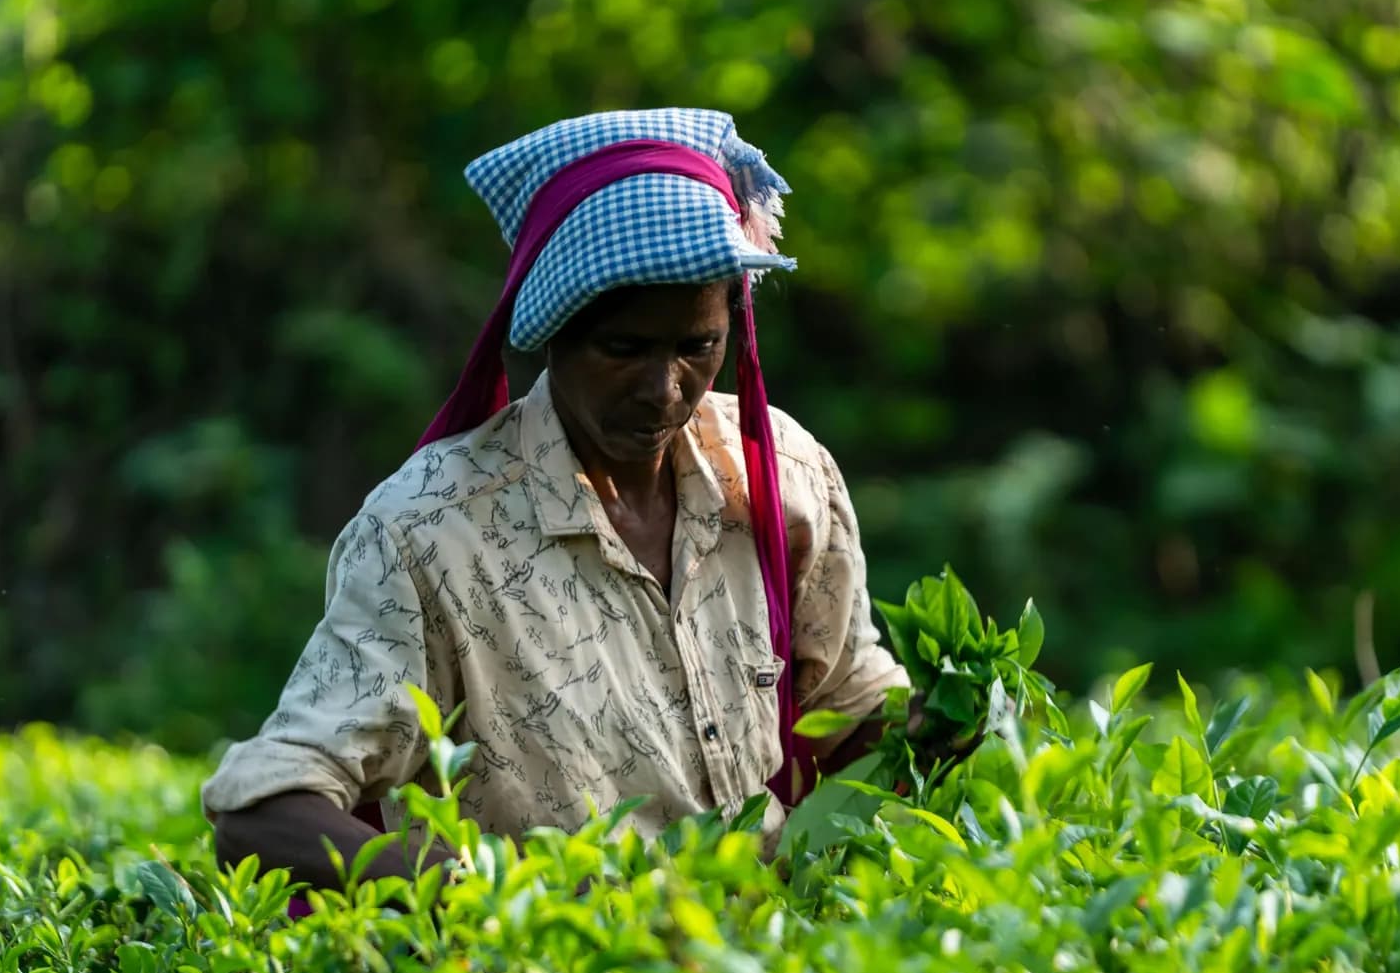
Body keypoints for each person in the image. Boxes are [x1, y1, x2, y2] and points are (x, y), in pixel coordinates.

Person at [204, 109, 914, 893]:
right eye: (624, 349)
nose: (664, 388)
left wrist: (946, 724)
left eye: (696, 346)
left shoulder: (783, 476)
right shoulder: (431, 534)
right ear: (552, 332)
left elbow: (848, 714)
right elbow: (262, 813)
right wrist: (474, 897)